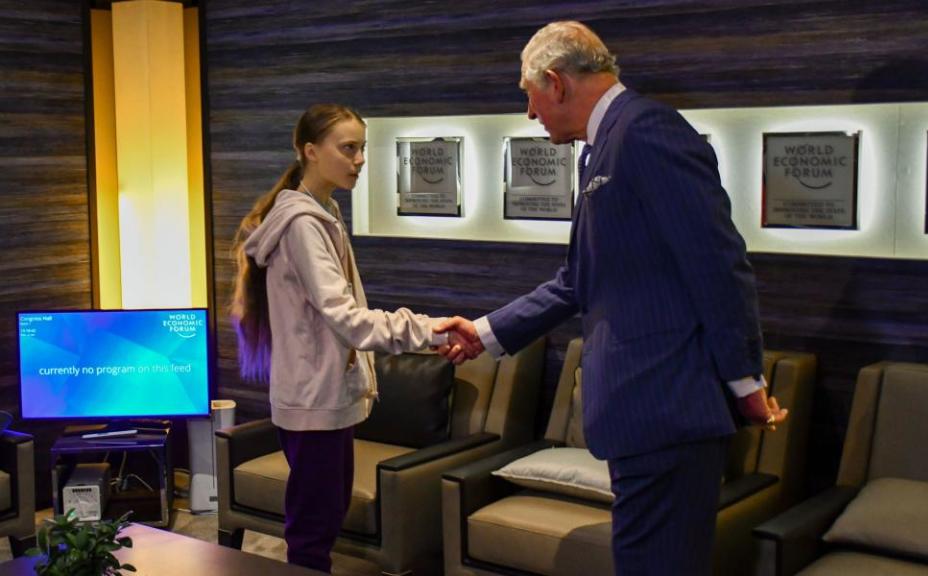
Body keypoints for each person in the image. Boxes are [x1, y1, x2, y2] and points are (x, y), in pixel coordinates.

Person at [436, 21, 788, 575]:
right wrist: (483, 333)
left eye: (528, 96)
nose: (530, 114)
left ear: (555, 83)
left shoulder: (647, 131)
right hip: (639, 414)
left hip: (665, 410)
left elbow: (718, 264)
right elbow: (578, 280)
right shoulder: (599, 150)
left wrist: (745, 382)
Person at [230, 104, 452, 573]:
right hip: (315, 402)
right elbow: (347, 319)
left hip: (322, 398)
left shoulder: (322, 212)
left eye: (362, 149)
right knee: (312, 533)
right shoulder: (304, 225)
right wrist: (428, 329)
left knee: (320, 522)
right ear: (311, 152)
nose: (359, 160)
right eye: (348, 148)